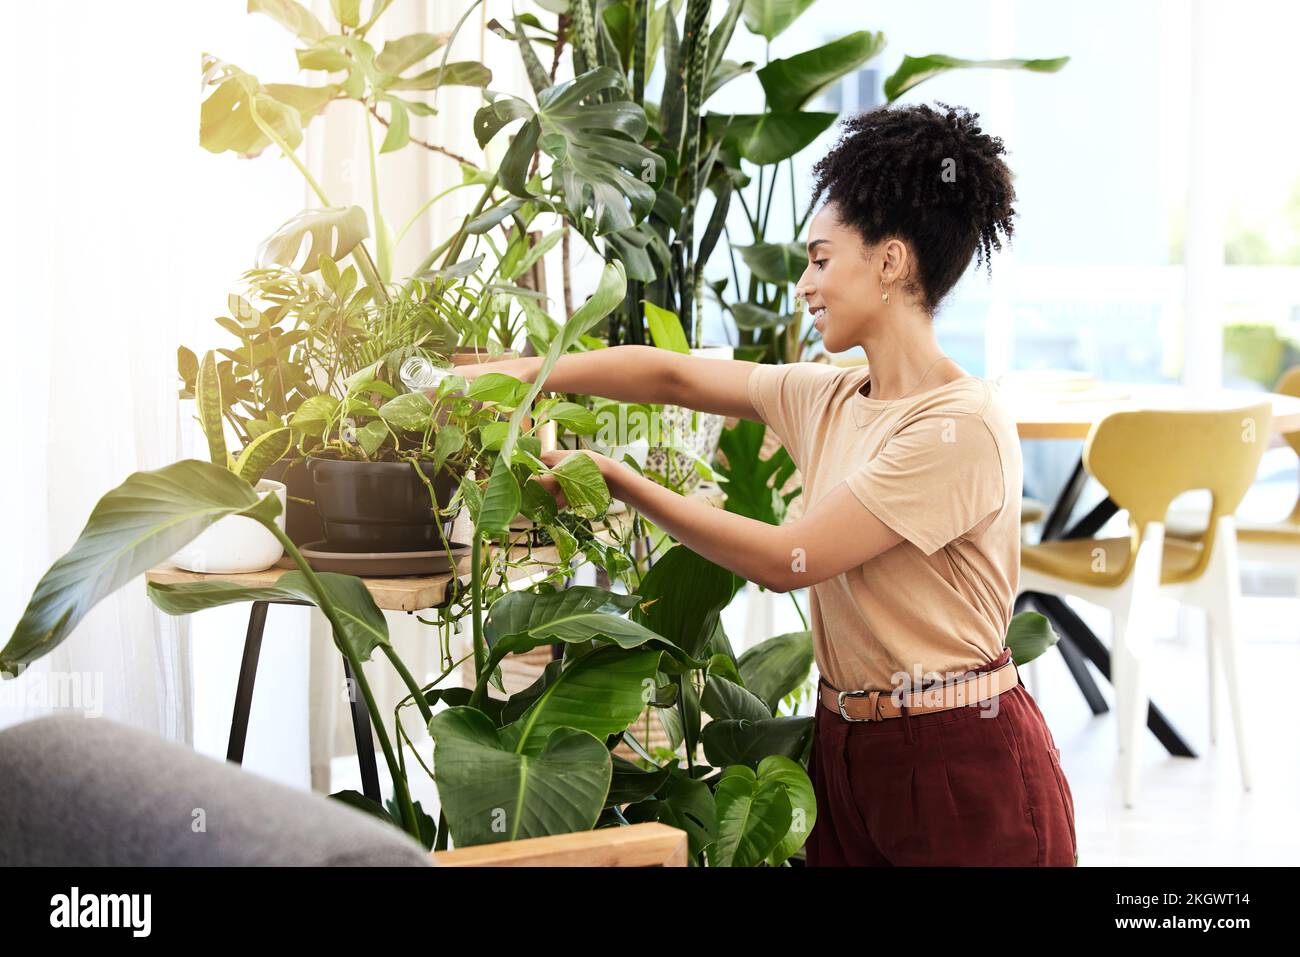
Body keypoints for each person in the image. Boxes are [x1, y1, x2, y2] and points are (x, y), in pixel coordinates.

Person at [450, 102, 1077, 866]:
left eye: (821, 258)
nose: (808, 283)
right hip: (847, 744)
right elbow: (675, 374)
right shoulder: (832, 395)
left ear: (889, 263)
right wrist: (528, 374)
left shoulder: (960, 426)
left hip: (956, 758)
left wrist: (620, 483)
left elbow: (790, 558)